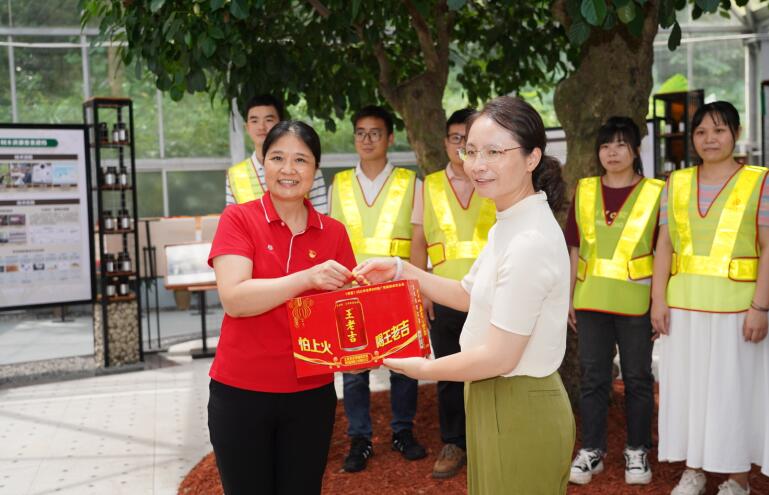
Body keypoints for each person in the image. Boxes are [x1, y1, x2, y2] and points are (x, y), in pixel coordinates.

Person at [355, 96, 575, 494]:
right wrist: (403, 270)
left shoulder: (528, 239)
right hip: (495, 397)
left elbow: (500, 357)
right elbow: (468, 293)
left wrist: (422, 369)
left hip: (519, 404)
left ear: (532, 158)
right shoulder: (509, 222)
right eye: (471, 151)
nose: (477, 164)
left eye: (494, 152)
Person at [207, 120, 357, 495]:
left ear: (316, 169)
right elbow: (235, 299)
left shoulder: (334, 233)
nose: (288, 169)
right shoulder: (238, 219)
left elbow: (347, 313)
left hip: (311, 395)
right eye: (277, 158)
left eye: (301, 160)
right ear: (263, 164)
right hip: (241, 392)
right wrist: (307, 278)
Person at [651, 101, 769, 495]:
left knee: (732, 392)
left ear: (736, 133)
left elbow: (768, 247)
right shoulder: (676, 183)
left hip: (738, 309)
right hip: (683, 307)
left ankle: (738, 478)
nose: (709, 139)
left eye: (719, 130)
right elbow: (664, 245)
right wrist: (658, 300)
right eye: (701, 132)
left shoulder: (760, 181)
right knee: (687, 390)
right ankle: (694, 469)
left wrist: (760, 307)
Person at [327, 105, 426, 472]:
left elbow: (418, 239)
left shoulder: (410, 183)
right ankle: (360, 438)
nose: (367, 140)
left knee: (403, 365)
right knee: (354, 371)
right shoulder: (337, 184)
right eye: (361, 133)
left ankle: (403, 431)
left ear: (390, 138)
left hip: (396, 288)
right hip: (350, 289)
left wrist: (419, 287)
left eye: (375, 133)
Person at [564, 117, 662, 486]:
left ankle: (637, 449)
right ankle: (592, 450)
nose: (612, 152)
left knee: (638, 378)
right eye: (605, 145)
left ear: (636, 150)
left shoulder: (656, 192)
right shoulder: (585, 190)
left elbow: (664, 252)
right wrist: (569, 296)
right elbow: (575, 247)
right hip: (591, 301)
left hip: (637, 303)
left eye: (621, 144)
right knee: (593, 379)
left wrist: (659, 302)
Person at [410, 107, 495, 479]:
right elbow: (418, 240)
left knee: (490, 371)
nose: (462, 147)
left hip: (488, 295)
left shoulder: (493, 181)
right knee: (448, 370)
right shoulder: (428, 185)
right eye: (456, 139)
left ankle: (487, 441)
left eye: (469, 140)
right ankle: (454, 441)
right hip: (443, 293)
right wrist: (420, 289)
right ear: (445, 143)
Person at [226, 94, 328, 212]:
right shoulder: (234, 175)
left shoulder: (308, 168)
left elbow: (321, 216)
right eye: (254, 121)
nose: (261, 127)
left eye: (269, 120)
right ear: (247, 127)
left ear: (281, 124)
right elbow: (232, 217)